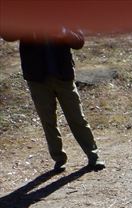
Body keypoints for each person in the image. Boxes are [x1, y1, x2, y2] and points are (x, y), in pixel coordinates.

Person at [1, 28, 104, 172]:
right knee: (48, 121)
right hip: (37, 78)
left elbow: (79, 41)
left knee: (77, 118)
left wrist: (63, 33)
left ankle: (94, 156)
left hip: (63, 76)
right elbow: (7, 35)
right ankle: (59, 159)